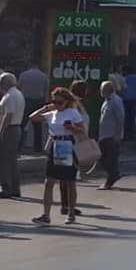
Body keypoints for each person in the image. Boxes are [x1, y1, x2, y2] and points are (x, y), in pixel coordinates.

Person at [30, 87, 86, 226]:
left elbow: (82, 130)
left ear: (66, 102)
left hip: (68, 144)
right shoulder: (52, 113)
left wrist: (72, 128)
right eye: (54, 101)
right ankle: (46, 215)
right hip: (55, 146)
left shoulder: (72, 113)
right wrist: (46, 107)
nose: (57, 104)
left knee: (69, 182)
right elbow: (33, 117)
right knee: (49, 182)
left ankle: (71, 212)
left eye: (59, 102)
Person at [0, 72, 25, 199]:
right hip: (14, 129)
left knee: (4, 161)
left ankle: (6, 188)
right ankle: (14, 188)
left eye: (0, 82)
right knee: (12, 161)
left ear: (6, 83)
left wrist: (1, 132)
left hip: (9, 130)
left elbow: (8, 115)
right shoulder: (17, 94)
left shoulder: (11, 95)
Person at [97, 80, 125, 190]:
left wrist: (118, 135)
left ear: (108, 90)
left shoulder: (116, 101)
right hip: (104, 134)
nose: (100, 91)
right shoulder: (106, 101)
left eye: (102, 89)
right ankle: (114, 175)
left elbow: (120, 118)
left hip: (112, 135)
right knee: (102, 159)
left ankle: (111, 178)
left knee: (109, 160)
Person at [18, 61, 49, 153]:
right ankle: (38, 148)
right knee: (38, 126)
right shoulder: (44, 76)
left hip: (26, 101)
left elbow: (18, 87)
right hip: (39, 101)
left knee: (22, 124)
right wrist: (45, 104)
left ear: (29, 65)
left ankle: (19, 145)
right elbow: (46, 91)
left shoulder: (23, 75)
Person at [122, 65, 136, 141]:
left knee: (125, 117)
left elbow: (122, 88)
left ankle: (124, 134)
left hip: (125, 100)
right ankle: (131, 135)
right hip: (134, 100)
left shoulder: (125, 78)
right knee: (132, 118)